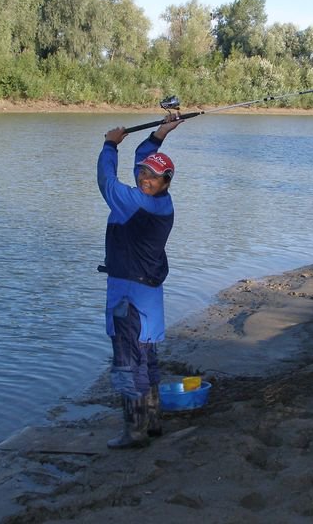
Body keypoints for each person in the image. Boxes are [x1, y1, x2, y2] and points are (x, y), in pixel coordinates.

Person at [96, 116, 182, 449]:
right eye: (144, 173)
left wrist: (109, 145)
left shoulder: (135, 203)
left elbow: (105, 180)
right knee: (146, 355)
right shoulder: (162, 203)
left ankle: (134, 431)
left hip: (127, 293)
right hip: (149, 294)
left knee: (126, 359)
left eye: (155, 177)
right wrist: (160, 133)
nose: (146, 179)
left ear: (166, 182)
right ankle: (153, 420)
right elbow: (141, 159)